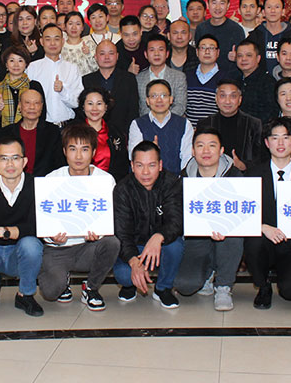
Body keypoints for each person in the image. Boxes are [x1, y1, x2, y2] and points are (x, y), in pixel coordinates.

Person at [39, 124, 120, 310]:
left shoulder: (105, 181)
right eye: (72, 149)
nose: (78, 156)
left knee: (112, 243)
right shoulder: (51, 180)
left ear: (93, 152)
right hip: (58, 248)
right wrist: (51, 237)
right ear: (64, 151)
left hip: (88, 247)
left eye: (84, 149)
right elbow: (45, 220)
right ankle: (63, 280)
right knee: (50, 292)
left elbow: (109, 218)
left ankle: (91, 288)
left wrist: (99, 234)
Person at [243, 117, 291, 309]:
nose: (280, 143)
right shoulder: (253, 174)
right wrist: (263, 227)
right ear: (267, 143)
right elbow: (244, 214)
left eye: (286, 137)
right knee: (253, 242)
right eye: (275, 138)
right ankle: (263, 285)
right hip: (265, 240)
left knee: (290, 293)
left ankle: (285, 274)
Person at [0, 137, 45, 316]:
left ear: (24, 161)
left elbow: (37, 227)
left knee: (31, 245)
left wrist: (2, 232)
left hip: (18, 252)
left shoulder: (38, 187)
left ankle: (25, 295)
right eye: (4, 158)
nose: (10, 164)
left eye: (15, 158)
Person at [176, 127, 244, 311]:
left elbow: (244, 215)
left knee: (234, 237)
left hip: (227, 236)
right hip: (196, 238)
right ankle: (209, 272)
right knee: (185, 286)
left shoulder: (235, 176)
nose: (206, 151)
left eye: (212, 146)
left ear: (221, 150)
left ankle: (223, 286)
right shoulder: (183, 178)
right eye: (200, 146)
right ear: (193, 150)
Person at [112, 140, 183, 308]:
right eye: (139, 165)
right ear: (132, 166)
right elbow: (121, 233)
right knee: (124, 275)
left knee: (176, 246)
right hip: (134, 246)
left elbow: (176, 221)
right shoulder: (122, 189)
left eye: (151, 165)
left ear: (160, 165)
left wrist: (159, 236)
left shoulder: (172, 183)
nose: (145, 172)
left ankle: (163, 288)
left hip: (161, 244)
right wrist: (133, 262)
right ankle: (129, 286)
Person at [128, 80, 194, 175]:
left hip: (176, 180)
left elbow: (187, 159)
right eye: (154, 96)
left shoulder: (184, 124)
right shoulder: (137, 124)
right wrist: (149, 150)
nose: (159, 100)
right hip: (145, 178)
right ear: (147, 101)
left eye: (163, 95)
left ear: (171, 99)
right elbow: (133, 157)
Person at [26, 23, 83, 126]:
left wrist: (63, 91)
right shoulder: (32, 68)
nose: (52, 43)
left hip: (67, 126)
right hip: (42, 126)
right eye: (48, 39)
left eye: (56, 39)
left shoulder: (72, 68)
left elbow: (77, 102)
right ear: (41, 42)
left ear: (63, 41)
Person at [199, 79, 263, 172]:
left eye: (233, 96)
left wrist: (243, 166)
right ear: (216, 99)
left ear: (240, 99)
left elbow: (260, 157)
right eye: (223, 96)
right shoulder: (205, 124)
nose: (227, 101)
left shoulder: (253, 124)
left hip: (244, 176)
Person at [1, 86, 62, 177]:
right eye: (27, 103)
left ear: (42, 106)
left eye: (36, 103)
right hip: (14, 180)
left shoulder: (53, 132)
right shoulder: (6, 133)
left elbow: (59, 164)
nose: (32, 107)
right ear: (19, 106)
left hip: (44, 181)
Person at [82, 39, 139, 135]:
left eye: (111, 53)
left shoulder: (129, 79)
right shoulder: (86, 80)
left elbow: (133, 110)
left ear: (117, 56)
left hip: (123, 133)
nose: (107, 57)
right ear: (95, 57)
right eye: (102, 53)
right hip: (93, 134)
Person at [77, 86, 129, 180]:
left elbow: (122, 167)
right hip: (80, 183)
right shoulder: (73, 133)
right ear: (83, 106)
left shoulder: (116, 133)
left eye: (99, 103)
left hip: (110, 183)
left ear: (106, 107)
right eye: (90, 103)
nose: (94, 108)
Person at [195, 0, 245, 78]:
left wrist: (237, 58)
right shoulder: (201, 28)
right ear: (207, 4)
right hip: (206, 77)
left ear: (228, 6)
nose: (217, 7)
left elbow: (243, 58)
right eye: (214, 3)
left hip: (230, 79)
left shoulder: (237, 30)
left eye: (222, 3)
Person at [136, 34, 187, 117]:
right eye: (152, 50)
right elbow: (141, 107)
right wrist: (151, 120)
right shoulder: (138, 78)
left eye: (161, 50)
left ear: (167, 54)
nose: (156, 54)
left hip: (172, 121)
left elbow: (180, 105)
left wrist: (164, 120)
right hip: (147, 122)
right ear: (146, 54)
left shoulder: (179, 77)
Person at [0, 45, 40, 128]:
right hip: (4, 133)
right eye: (12, 61)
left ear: (26, 64)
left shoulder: (34, 86)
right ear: (6, 64)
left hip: (30, 131)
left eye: (20, 61)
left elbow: (42, 114)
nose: (16, 65)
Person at [249, 0, 291, 74]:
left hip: (286, 80)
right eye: (269, 7)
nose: (273, 11)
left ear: (283, 12)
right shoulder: (255, 36)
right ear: (263, 12)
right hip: (261, 80)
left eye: (277, 7)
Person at [235, 39, 279, 124]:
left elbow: (271, 113)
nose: (243, 59)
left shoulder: (268, 82)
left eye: (249, 55)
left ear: (258, 58)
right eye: (239, 56)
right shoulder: (236, 82)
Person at [184, 35, 221, 126]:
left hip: (214, 130)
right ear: (197, 52)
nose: (207, 52)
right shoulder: (186, 76)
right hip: (189, 130)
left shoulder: (225, 78)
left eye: (211, 48)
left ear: (218, 52)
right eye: (203, 48)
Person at [60, 11, 97, 75]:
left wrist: (88, 54)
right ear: (65, 27)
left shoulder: (89, 44)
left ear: (82, 27)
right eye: (70, 24)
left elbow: (96, 69)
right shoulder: (60, 46)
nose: (74, 27)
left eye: (78, 24)